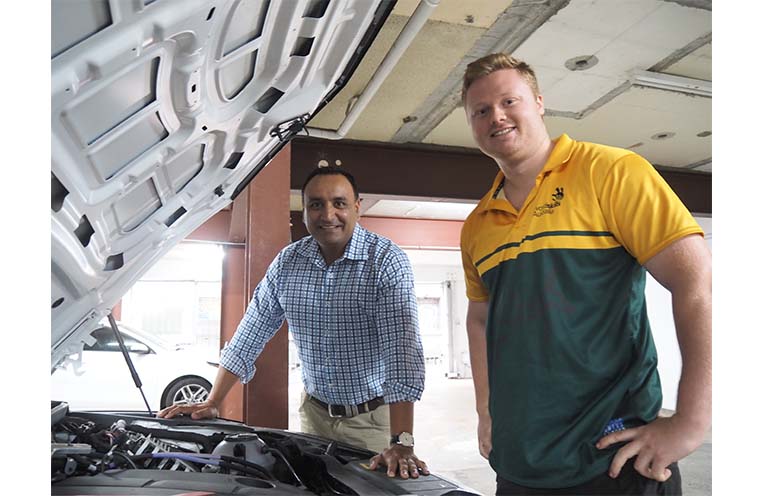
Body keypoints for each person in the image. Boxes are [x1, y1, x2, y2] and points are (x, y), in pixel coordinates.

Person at [459, 53, 711, 495]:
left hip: (613, 457)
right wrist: (486, 411)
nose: (496, 116)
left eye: (508, 101)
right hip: (521, 463)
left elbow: (695, 282)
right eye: (481, 111)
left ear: (539, 103)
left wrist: (691, 420)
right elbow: (480, 319)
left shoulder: (610, 172)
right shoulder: (477, 225)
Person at [158, 166, 429, 480]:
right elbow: (250, 332)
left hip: (371, 421)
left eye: (339, 203)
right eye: (316, 204)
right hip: (314, 417)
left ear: (357, 207)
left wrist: (402, 442)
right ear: (304, 212)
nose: (328, 214)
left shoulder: (385, 261)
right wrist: (214, 401)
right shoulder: (287, 263)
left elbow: (402, 354)